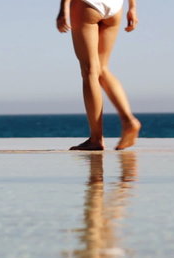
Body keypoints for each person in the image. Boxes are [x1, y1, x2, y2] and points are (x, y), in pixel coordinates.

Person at [57, 0, 142, 151]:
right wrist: (133, 8)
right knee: (102, 68)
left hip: (87, 5)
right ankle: (128, 120)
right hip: (115, 8)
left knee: (90, 70)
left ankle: (96, 138)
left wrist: (63, 9)